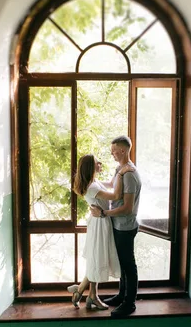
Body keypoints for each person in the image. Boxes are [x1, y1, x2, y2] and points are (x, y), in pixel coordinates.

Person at [67, 154, 134, 310]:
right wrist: (122, 173)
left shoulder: (94, 182)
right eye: (98, 162)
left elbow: (111, 184)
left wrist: (119, 171)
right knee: (97, 259)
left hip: (101, 222)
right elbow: (117, 195)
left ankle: (88, 294)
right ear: (91, 167)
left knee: (96, 259)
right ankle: (84, 293)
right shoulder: (92, 187)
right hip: (99, 224)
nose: (101, 163)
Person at [90, 135, 141, 317]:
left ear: (123, 150)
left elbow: (127, 208)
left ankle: (130, 303)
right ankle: (121, 296)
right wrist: (91, 184)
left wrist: (104, 213)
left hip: (125, 226)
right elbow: (111, 185)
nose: (111, 154)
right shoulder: (120, 169)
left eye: (113, 151)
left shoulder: (129, 175)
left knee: (128, 265)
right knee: (122, 262)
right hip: (118, 224)